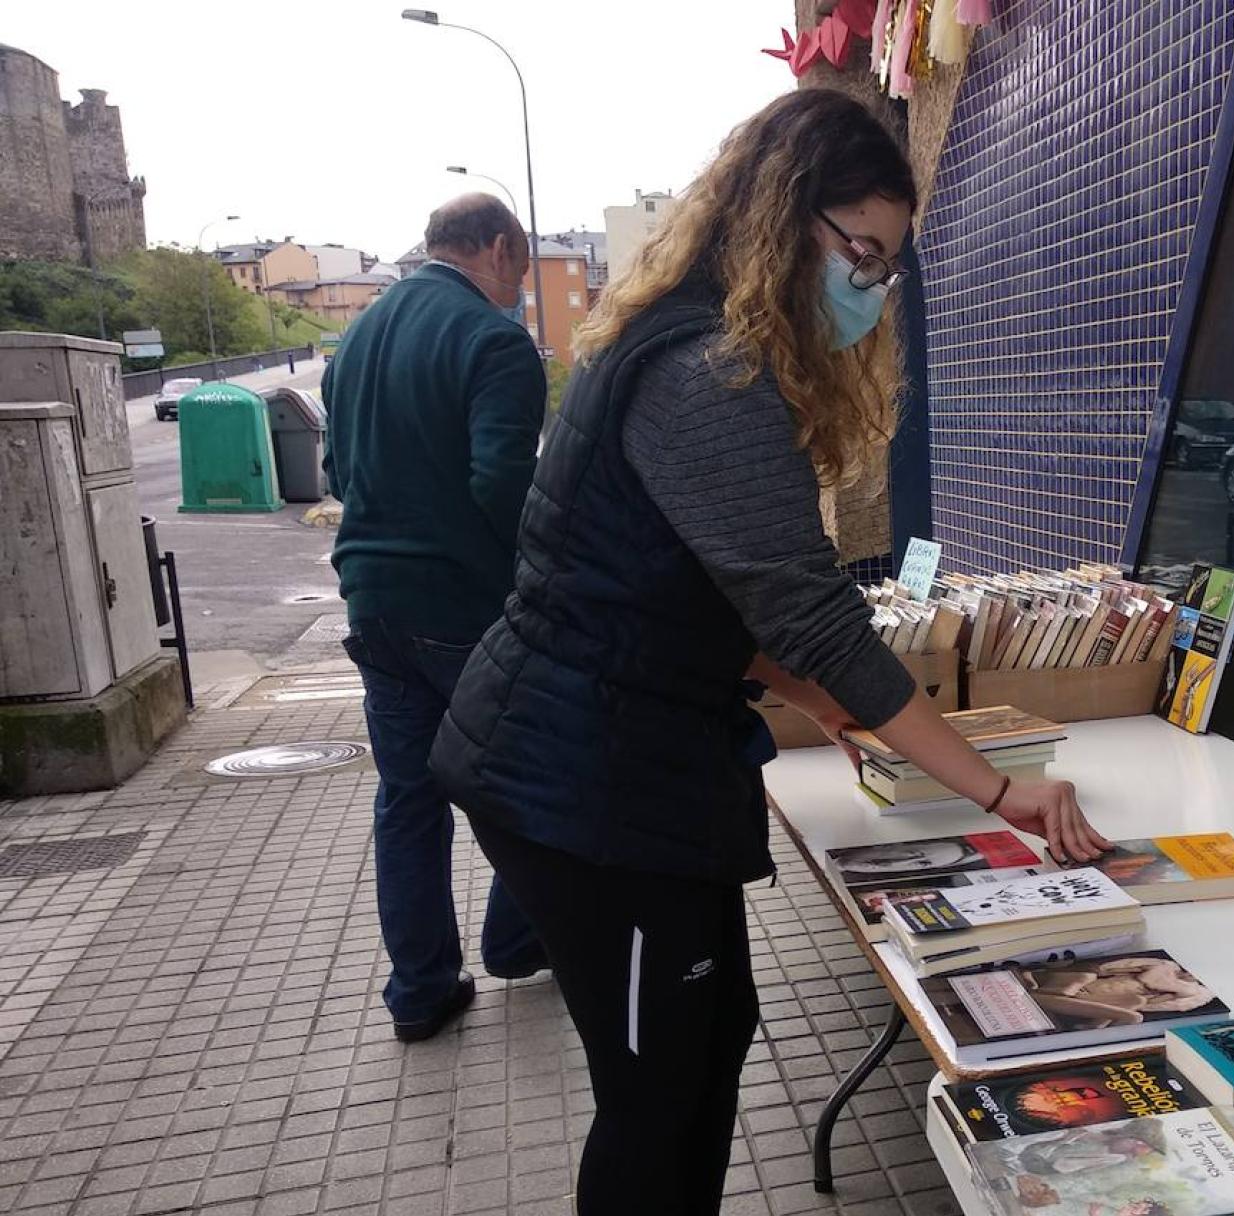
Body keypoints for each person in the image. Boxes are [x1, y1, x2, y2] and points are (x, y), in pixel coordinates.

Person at [427, 91, 1112, 1212]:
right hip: (586, 783)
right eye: (863, 253)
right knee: (657, 1091)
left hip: (615, 763)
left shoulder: (693, 340)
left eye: (890, 266)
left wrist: (850, 721)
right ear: (787, 218)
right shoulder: (709, 372)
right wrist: (998, 789)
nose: (874, 287)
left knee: (715, 1033)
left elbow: (726, 601)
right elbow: (808, 613)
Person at [322, 193, 547, 1042]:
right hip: (463, 609)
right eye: (518, 271)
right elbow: (502, 482)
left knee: (408, 797)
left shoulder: (357, 338)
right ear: (495, 249)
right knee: (525, 776)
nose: (516, 289)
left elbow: (339, 471)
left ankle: (421, 991)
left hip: (370, 605)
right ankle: (518, 941)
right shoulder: (494, 342)